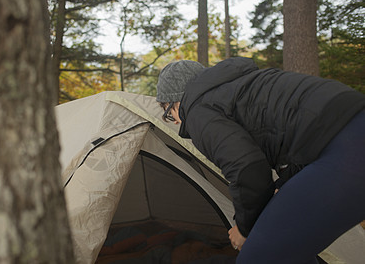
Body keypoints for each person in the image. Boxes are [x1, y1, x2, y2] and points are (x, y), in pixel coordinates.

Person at [156, 57, 365, 263]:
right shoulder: (245, 87)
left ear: (177, 101)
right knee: (291, 249)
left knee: (257, 258)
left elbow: (247, 168)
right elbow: (303, 143)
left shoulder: (197, 110)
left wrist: (245, 228)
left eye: (168, 113)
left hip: (348, 150)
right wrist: (281, 187)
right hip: (351, 133)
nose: (176, 121)